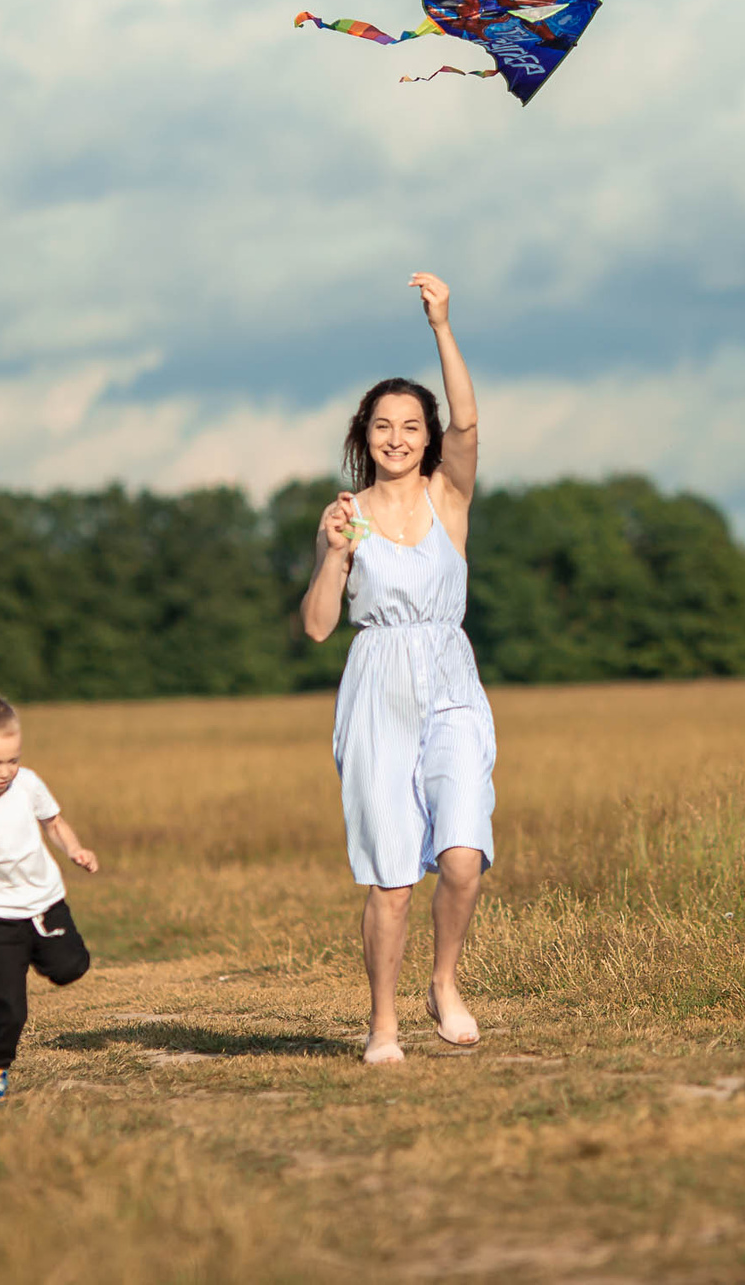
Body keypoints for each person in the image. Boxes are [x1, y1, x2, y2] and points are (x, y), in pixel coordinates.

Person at [300, 272, 494, 1065]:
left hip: (450, 679)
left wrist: (442, 325)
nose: (398, 438)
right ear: (363, 434)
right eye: (383, 426)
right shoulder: (344, 516)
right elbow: (316, 628)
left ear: (428, 435)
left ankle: (442, 982)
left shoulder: (451, 496)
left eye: (412, 425)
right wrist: (335, 557)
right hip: (376, 688)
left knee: (462, 857)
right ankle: (383, 1021)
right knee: (391, 880)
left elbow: (471, 420)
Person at [0, 688, 99, 1103]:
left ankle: (35, 951)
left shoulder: (27, 784)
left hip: (45, 903)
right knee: (8, 1003)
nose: (5, 771)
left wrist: (75, 849)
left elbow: (54, 822)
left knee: (72, 967)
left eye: (13, 760)